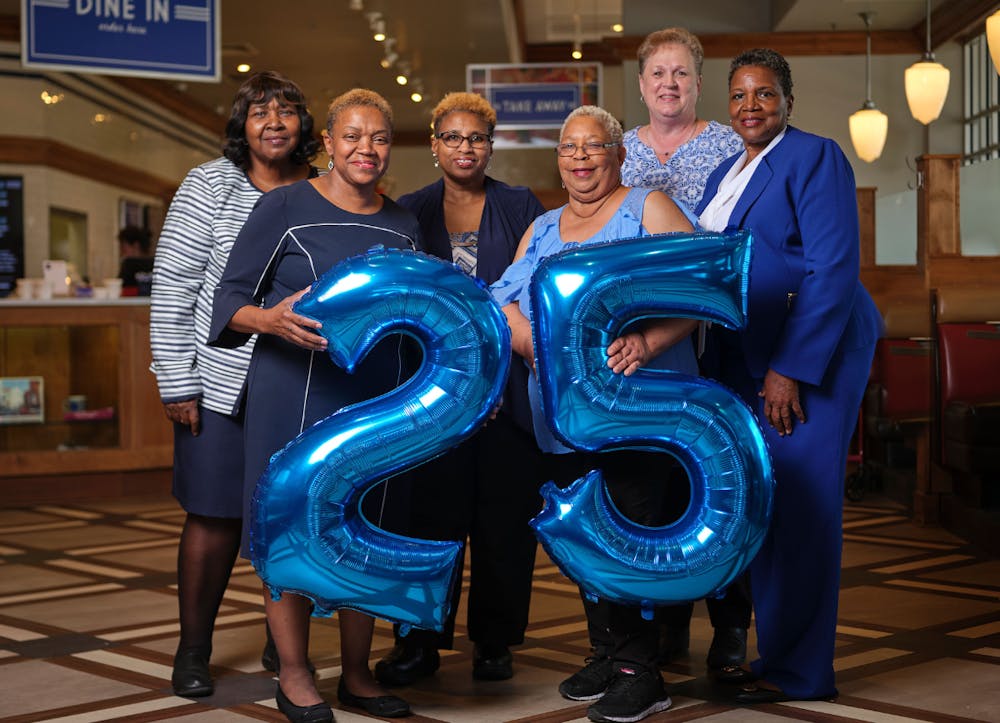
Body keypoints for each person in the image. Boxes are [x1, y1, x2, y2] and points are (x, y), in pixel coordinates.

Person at [209, 88, 421, 723]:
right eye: (353, 136)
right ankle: (296, 674)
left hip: (375, 400)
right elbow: (229, 301)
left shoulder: (404, 224)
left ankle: (357, 674)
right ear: (328, 142)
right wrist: (270, 322)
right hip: (291, 394)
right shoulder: (285, 206)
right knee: (290, 526)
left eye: (379, 138)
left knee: (365, 529)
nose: (366, 149)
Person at [491, 105, 698, 723]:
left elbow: (703, 287)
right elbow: (501, 299)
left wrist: (647, 343)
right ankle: (608, 651)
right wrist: (530, 341)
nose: (580, 158)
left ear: (619, 154)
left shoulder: (649, 207)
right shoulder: (544, 227)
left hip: (638, 405)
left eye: (593, 147)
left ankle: (644, 671)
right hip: (558, 409)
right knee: (585, 526)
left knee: (632, 526)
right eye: (568, 148)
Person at [695, 49, 882, 703]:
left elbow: (833, 269)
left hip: (809, 358)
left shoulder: (815, 156)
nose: (752, 106)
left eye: (766, 94)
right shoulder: (727, 170)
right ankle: (777, 655)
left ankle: (800, 671)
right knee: (767, 505)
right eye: (740, 95)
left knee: (801, 505)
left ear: (789, 102)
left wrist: (788, 370)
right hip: (748, 356)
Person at [149, 71, 319, 699]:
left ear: (303, 124)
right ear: (241, 125)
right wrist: (176, 380)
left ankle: (287, 642)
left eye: (286, 110)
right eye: (259, 112)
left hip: (301, 387)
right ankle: (193, 651)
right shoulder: (210, 185)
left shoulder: (319, 189)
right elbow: (174, 288)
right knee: (214, 518)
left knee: (292, 515)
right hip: (220, 386)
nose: (274, 121)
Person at [374, 92, 546, 686]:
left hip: (507, 391)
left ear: (490, 145)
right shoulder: (406, 212)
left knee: (503, 518)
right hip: (430, 393)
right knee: (425, 519)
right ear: (434, 145)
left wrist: (495, 376)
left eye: (476, 138)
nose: (465, 148)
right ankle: (417, 640)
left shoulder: (522, 205)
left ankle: (495, 641)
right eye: (452, 137)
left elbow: (534, 292)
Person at [621, 26, 750, 678]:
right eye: (657, 74)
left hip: (718, 335)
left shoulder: (730, 144)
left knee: (719, 478)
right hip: (642, 341)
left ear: (697, 84)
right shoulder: (617, 151)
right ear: (642, 85)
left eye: (681, 74)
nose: (668, 83)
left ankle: (730, 628)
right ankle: (665, 625)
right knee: (660, 482)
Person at [118, 225, 155, 290]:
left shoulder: (128, 265)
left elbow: (119, 288)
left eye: (124, 249)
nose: (121, 253)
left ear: (136, 246)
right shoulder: (158, 264)